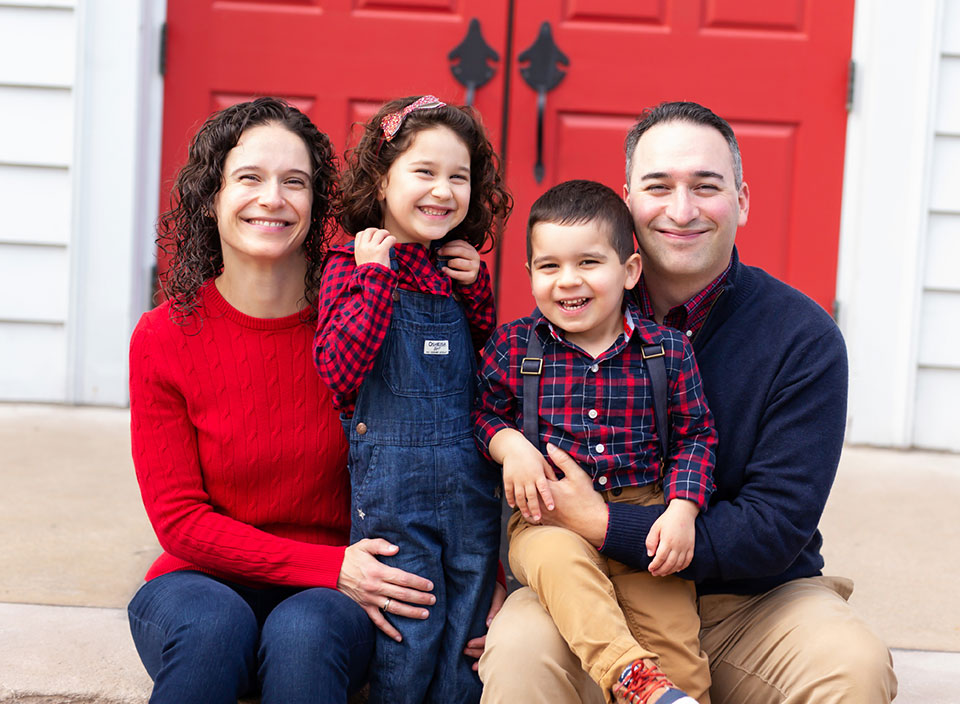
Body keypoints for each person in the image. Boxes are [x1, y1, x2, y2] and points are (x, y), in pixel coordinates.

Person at [478, 101, 897, 704]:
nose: (682, 209)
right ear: (627, 201)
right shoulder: (555, 324)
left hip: (751, 603)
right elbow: (474, 441)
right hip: (589, 589)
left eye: (706, 186)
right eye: (659, 187)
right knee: (520, 654)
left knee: (851, 665)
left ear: (743, 200)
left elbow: (774, 526)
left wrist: (602, 521)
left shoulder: (801, 338)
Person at [127, 97, 437, 704]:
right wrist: (329, 567)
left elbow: (440, 453)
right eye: (248, 178)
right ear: (211, 197)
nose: (272, 198)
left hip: (336, 596)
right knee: (216, 627)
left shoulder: (363, 322)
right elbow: (180, 522)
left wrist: (488, 579)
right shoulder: (163, 338)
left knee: (302, 634)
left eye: (294, 182)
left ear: (316, 203)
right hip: (200, 582)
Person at [473, 180, 716, 704]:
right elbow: (479, 413)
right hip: (545, 517)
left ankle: (667, 689)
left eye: (588, 263)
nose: (567, 281)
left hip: (645, 525)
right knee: (561, 565)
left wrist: (681, 510)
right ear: (530, 274)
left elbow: (696, 435)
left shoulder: (666, 351)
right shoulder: (516, 346)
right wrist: (509, 443)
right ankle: (631, 676)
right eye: (549, 266)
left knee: (681, 658)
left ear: (629, 271)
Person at [314, 95, 512, 704]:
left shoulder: (456, 268)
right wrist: (375, 278)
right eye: (424, 172)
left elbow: (480, 372)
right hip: (396, 498)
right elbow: (339, 371)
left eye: (459, 176)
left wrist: (476, 292)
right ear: (381, 179)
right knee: (410, 636)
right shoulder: (350, 265)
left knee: (466, 642)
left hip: (468, 493)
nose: (443, 190)